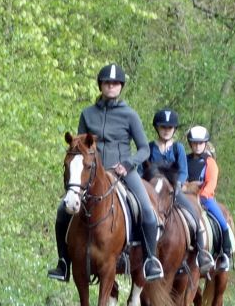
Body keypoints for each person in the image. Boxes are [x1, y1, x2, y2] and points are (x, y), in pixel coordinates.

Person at [47, 63, 164, 282]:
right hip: (92, 175)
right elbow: (80, 146)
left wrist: (128, 164)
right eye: (107, 83)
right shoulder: (87, 114)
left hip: (123, 172)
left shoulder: (130, 115)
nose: (111, 87)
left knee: (147, 210)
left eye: (115, 83)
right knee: (63, 211)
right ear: (100, 85)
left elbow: (144, 148)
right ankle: (63, 263)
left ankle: (149, 260)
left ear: (121, 87)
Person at [144, 108, 215, 273]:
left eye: (169, 128)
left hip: (173, 190)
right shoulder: (149, 148)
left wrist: (179, 184)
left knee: (192, 213)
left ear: (174, 130)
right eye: (163, 127)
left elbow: (183, 170)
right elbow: (142, 170)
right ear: (157, 128)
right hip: (153, 191)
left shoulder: (178, 149)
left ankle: (202, 253)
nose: (166, 131)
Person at [185, 125, 234, 272]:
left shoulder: (209, 162)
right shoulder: (185, 159)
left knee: (223, 223)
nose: (197, 146)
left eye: (200, 143)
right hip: (185, 196)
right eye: (194, 143)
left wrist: (202, 195)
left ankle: (225, 254)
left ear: (205, 144)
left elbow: (211, 182)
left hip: (205, 198)